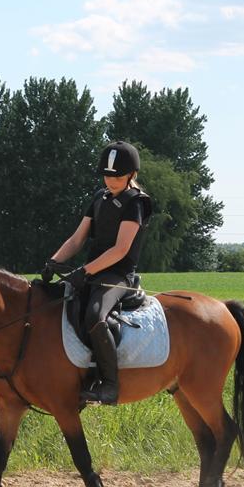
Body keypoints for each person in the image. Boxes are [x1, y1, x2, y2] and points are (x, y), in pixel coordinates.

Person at [43, 140, 153, 405]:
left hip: (118, 277)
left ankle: (110, 384)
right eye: (107, 175)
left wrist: (85, 270)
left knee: (95, 315)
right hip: (93, 272)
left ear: (131, 175)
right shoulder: (99, 198)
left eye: (117, 176)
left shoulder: (136, 203)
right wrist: (53, 261)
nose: (111, 180)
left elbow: (120, 249)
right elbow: (77, 239)